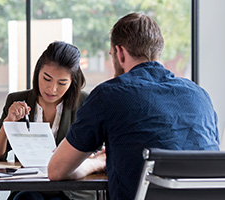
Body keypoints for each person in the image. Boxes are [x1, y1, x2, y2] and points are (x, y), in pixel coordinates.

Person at [48, 12, 220, 200]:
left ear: (120, 53)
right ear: (157, 51)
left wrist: (97, 163)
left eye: (112, 54)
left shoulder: (109, 95)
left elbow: (56, 170)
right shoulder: (200, 95)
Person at [0, 41, 103, 200]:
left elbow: (95, 153)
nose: (52, 89)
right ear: (37, 72)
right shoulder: (17, 100)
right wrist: (8, 123)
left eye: (62, 83)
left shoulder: (85, 103)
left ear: (72, 82)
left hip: (69, 190)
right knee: (27, 198)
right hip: (29, 188)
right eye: (47, 78)